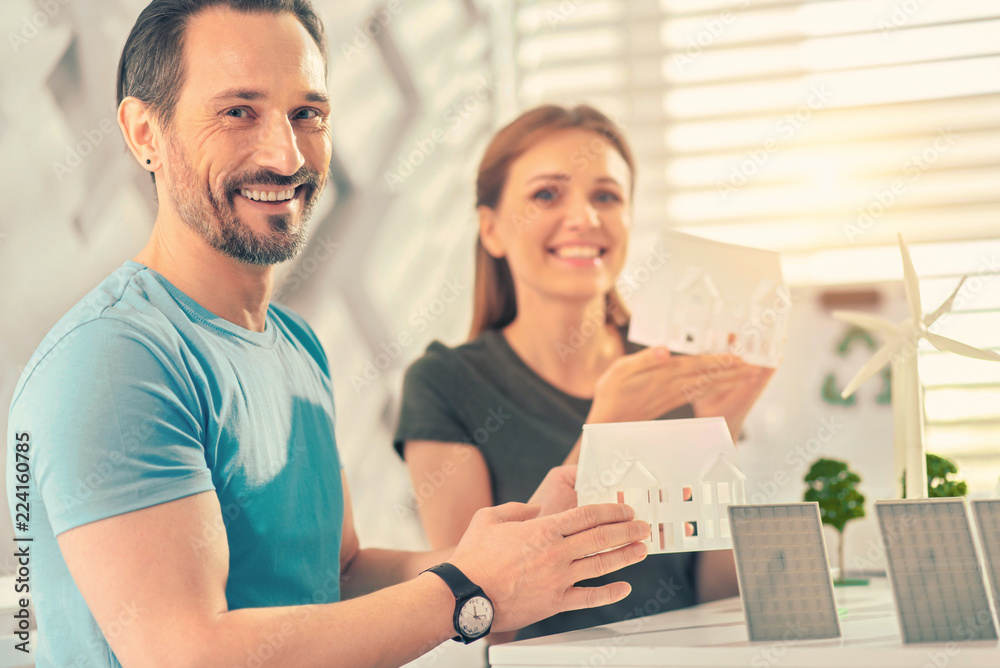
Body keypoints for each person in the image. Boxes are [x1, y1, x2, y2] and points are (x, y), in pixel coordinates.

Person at [5, 3, 654, 667]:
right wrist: (469, 592)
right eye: (238, 111)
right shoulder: (114, 360)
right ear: (145, 131)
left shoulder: (296, 347)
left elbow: (338, 574)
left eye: (307, 114)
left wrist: (505, 555)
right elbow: (190, 654)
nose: (285, 154)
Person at [395, 104, 776, 640]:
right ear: (493, 229)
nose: (585, 218)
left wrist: (722, 435)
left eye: (606, 196)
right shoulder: (445, 384)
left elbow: (715, 596)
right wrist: (604, 431)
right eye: (547, 194)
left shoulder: (677, 373)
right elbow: (477, 613)